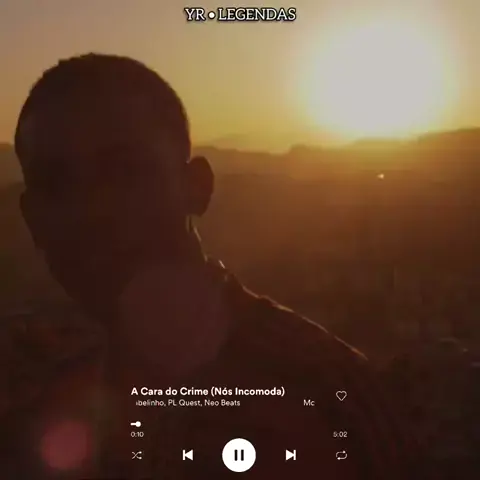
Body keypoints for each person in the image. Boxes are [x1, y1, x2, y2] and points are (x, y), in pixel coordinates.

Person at [2, 53, 419, 479]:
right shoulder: (46, 408)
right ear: (32, 219)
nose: (91, 210)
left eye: (126, 172)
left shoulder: (326, 397)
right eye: (56, 184)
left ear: (197, 188)